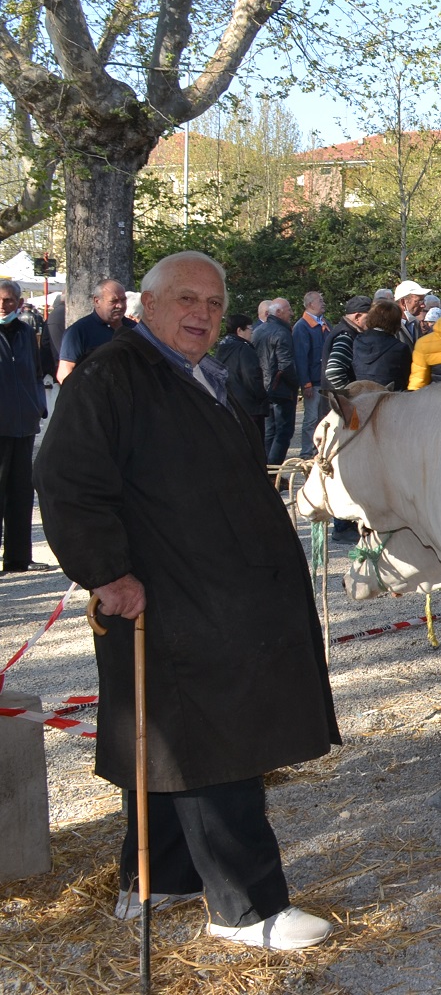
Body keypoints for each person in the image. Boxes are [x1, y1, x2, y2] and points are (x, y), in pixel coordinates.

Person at [35, 250, 340, 949]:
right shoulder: (113, 376)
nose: (201, 314)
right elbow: (67, 478)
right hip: (164, 595)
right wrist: (106, 573)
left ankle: (160, 880)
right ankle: (247, 908)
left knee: (170, 740)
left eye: (212, 302)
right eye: (185, 300)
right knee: (212, 739)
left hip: (220, 596)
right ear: (146, 305)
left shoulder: (207, 375)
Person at [0, 280, 47, 573]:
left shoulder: (27, 332)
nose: (5, 305)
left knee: (20, 492)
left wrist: (37, 406)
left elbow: (35, 371)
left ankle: (19, 557)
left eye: (10, 301)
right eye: (1, 300)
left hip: (24, 423)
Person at [251, 297, 297, 467]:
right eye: (289, 309)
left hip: (264, 389)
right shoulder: (282, 332)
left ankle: (266, 470)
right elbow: (285, 364)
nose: (292, 313)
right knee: (283, 432)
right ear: (278, 312)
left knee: (269, 431)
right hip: (280, 390)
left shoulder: (258, 331)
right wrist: (295, 383)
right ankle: (273, 473)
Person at [56, 277, 130, 383]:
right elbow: (64, 373)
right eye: (113, 301)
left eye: (123, 300)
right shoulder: (78, 332)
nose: (120, 305)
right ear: (97, 301)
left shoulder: (134, 329)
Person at [291, 291, 331, 458]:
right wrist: (305, 383)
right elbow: (300, 357)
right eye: (320, 300)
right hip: (313, 382)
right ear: (310, 304)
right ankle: (307, 452)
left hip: (325, 380)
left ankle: (321, 451)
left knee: (324, 417)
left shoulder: (325, 323)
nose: (323, 303)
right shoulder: (302, 326)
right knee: (311, 419)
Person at [212, 313, 266, 423]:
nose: (252, 331)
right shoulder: (244, 349)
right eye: (250, 328)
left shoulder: (221, 348)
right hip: (249, 406)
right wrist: (262, 396)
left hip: (229, 403)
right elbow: (251, 376)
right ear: (239, 330)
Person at [351, 300, 412, 390]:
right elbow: (407, 378)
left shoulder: (358, 341)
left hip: (363, 395)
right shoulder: (400, 349)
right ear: (396, 322)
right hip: (390, 397)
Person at [320, 296, 371, 393]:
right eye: (369, 317)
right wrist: (351, 395)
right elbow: (333, 371)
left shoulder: (343, 331)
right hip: (339, 404)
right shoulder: (346, 335)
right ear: (357, 317)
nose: (372, 322)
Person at [393, 280, 433, 348]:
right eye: (419, 301)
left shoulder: (415, 324)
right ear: (403, 302)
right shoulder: (391, 326)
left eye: (423, 301)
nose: (423, 305)